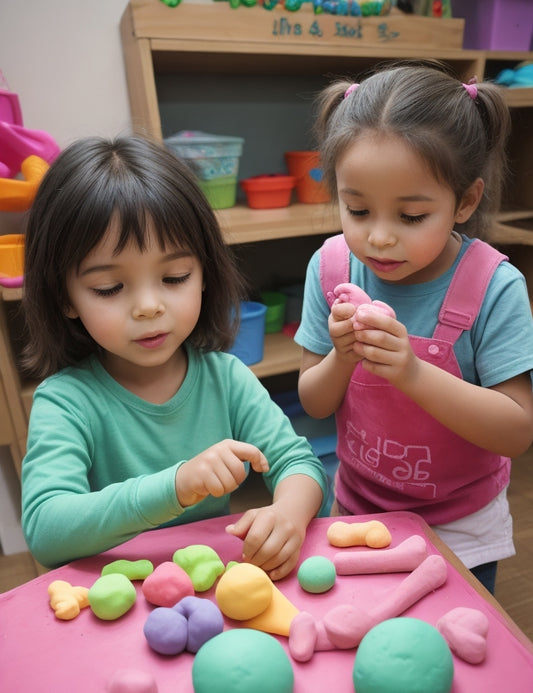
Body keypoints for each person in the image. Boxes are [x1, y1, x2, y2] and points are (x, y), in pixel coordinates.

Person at [20, 134, 327, 580]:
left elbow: (298, 462)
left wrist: (289, 515)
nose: (149, 306)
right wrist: (176, 486)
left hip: (211, 590)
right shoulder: (66, 402)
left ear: (203, 273)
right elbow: (47, 531)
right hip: (116, 605)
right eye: (109, 288)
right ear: (65, 296)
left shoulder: (226, 379)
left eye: (174, 276)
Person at [295, 62, 533, 593]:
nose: (379, 238)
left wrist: (411, 372)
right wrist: (342, 356)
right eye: (357, 209)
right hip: (357, 509)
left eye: (410, 217)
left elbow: (517, 430)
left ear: (464, 202)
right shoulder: (332, 267)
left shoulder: (494, 286)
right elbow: (312, 402)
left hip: (461, 525)